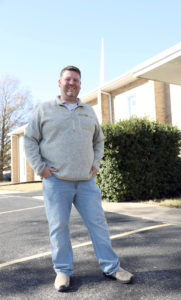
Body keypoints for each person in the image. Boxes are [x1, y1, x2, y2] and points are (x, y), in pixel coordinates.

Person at [24, 66, 133, 292]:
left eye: (76, 80)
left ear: (80, 84)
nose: (71, 83)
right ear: (59, 82)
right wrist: (40, 168)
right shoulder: (44, 109)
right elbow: (30, 140)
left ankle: (111, 267)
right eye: (67, 79)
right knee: (59, 228)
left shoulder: (88, 111)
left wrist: (96, 164)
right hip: (56, 181)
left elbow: (99, 141)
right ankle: (63, 271)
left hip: (86, 182)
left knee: (99, 225)